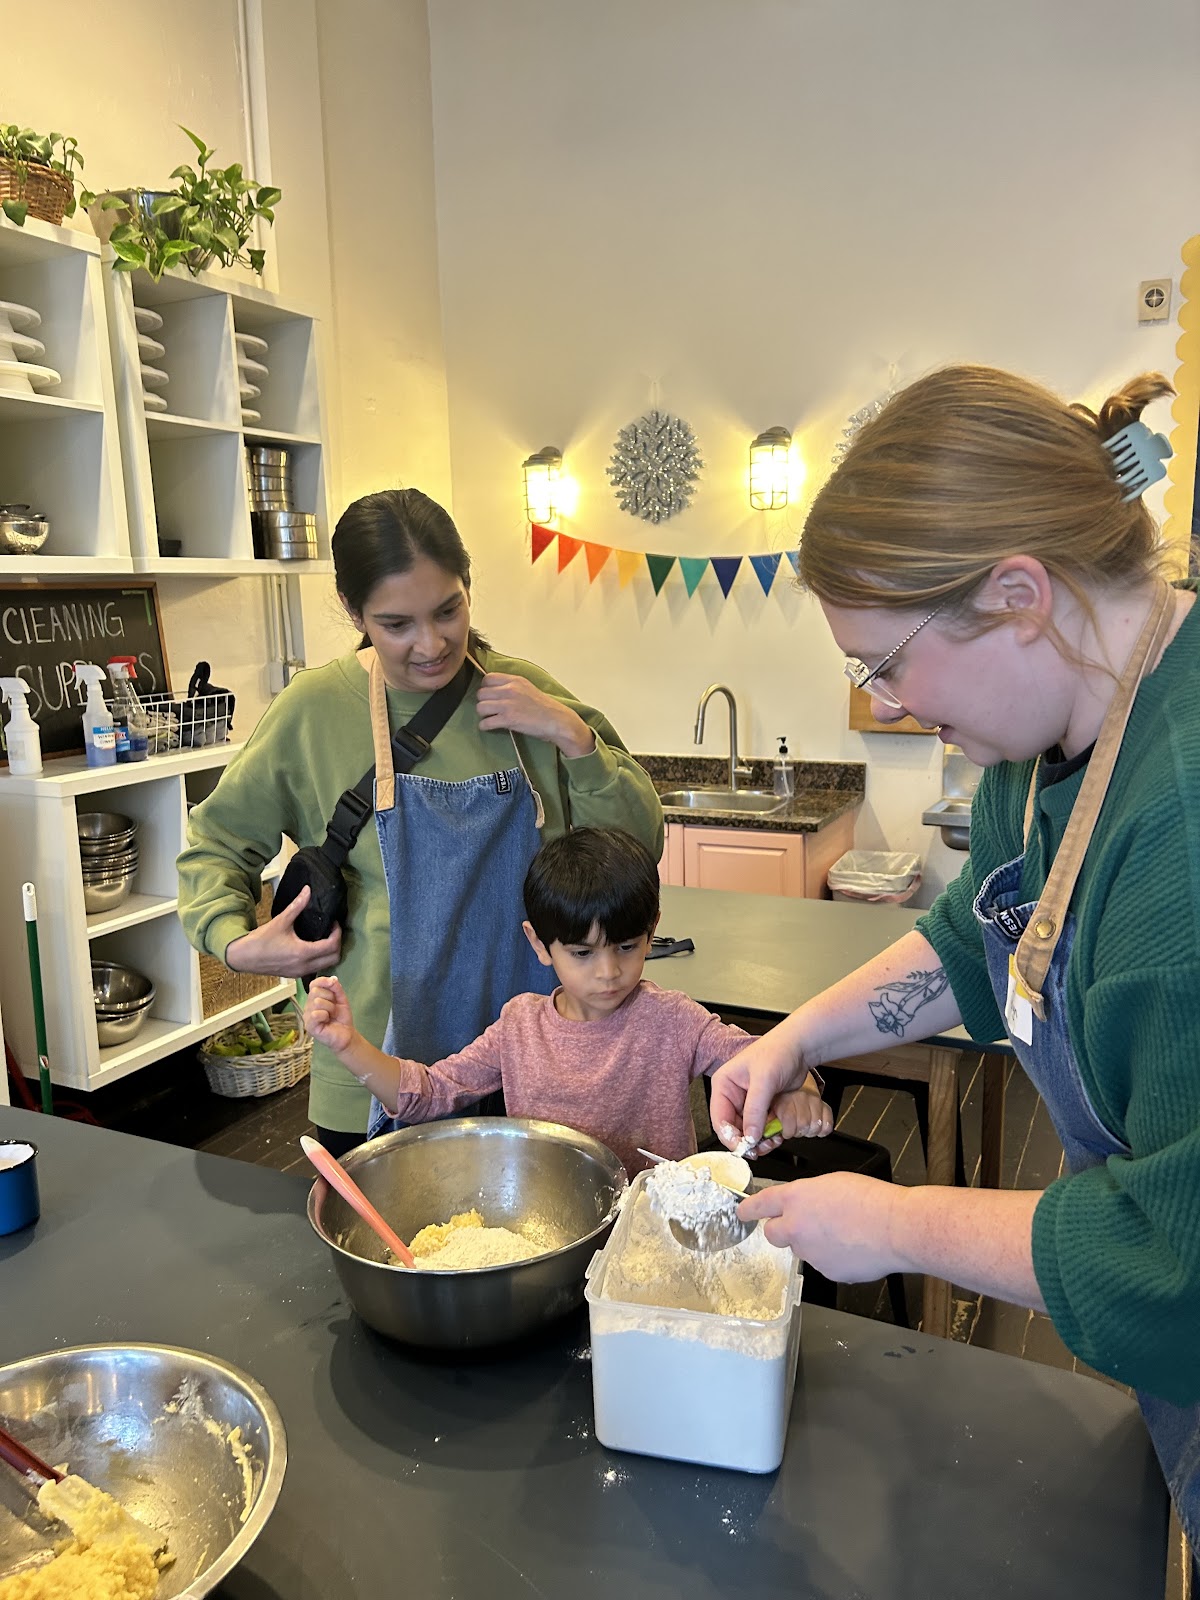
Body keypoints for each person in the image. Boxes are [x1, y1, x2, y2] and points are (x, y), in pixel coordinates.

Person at [709, 363, 1200, 1551]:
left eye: (887, 663)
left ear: (1020, 593)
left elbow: (1172, 1264)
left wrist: (893, 1222)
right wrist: (797, 1036)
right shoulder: (1039, 750)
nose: (888, 700)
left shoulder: (1180, 828)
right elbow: (982, 943)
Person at [178, 490, 664, 1156]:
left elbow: (639, 849)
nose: (431, 645)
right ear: (354, 612)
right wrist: (235, 941)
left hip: (538, 1068)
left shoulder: (524, 695)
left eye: (448, 610)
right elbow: (215, 846)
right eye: (396, 624)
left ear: (468, 589)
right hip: (374, 1071)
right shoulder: (316, 712)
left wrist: (574, 737)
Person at [303, 827, 832, 1175]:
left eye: (627, 947)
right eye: (582, 952)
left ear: (652, 932)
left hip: (651, 1229)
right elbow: (427, 1093)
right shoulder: (518, 1028)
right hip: (548, 1230)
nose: (608, 972)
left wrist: (801, 1087)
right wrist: (348, 1045)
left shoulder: (673, 1020)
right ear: (539, 944)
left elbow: (764, 1056)